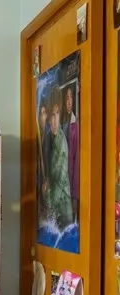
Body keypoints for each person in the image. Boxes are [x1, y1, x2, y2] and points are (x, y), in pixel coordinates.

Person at [47, 95, 73, 231]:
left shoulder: (61, 143)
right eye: (52, 115)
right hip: (59, 208)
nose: (55, 119)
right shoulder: (52, 138)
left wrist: (47, 200)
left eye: (57, 114)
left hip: (63, 210)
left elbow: (58, 182)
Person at [64, 86, 79, 224]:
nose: (69, 101)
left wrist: (75, 196)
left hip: (71, 187)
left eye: (71, 97)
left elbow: (76, 163)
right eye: (66, 98)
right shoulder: (61, 126)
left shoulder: (76, 128)